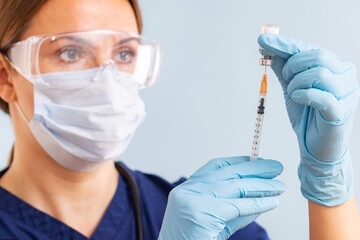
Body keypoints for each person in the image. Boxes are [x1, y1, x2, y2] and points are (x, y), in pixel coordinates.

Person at [0, 0, 359, 239]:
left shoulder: (214, 220)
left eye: (124, 53)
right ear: (5, 77)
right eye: (70, 51)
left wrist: (329, 190)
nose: (107, 77)